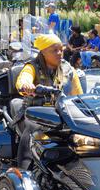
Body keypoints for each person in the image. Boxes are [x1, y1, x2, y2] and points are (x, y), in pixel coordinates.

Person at [15, 34, 83, 169]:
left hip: (61, 115)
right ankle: (23, 172)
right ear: (43, 52)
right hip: (35, 115)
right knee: (32, 131)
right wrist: (26, 85)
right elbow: (23, 80)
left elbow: (78, 95)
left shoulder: (68, 69)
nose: (59, 53)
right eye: (54, 50)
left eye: (61, 50)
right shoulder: (32, 66)